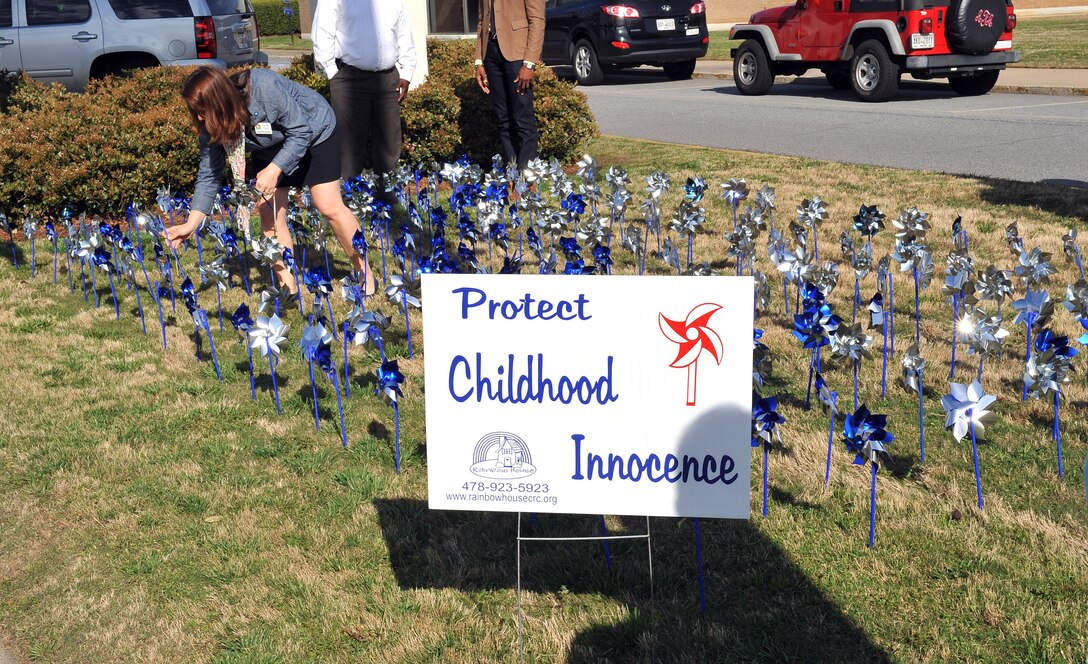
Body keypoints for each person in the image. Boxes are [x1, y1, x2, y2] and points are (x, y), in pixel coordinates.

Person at [166, 66, 376, 297]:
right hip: (269, 146)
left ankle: (365, 273)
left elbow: (300, 132)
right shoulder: (211, 124)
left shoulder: (263, 86)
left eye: (202, 110)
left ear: (220, 100)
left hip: (314, 133)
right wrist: (191, 224)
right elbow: (209, 174)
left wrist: (275, 169)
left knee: (328, 205)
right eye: (195, 111)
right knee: (269, 211)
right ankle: (288, 286)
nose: (198, 117)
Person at [312, 0, 417, 182]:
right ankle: (350, 198)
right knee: (349, 144)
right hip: (349, 79)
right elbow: (322, 33)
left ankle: (387, 194)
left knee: (389, 141)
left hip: (388, 78)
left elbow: (403, 33)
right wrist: (332, 72)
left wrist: (407, 71)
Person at [474, 0, 545, 171]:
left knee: (522, 117)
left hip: (518, 53)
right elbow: (482, 19)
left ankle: (527, 172)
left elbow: (537, 20)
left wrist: (529, 63)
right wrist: (478, 61)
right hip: (490, 52)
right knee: (503, 118)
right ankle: (512, 169)